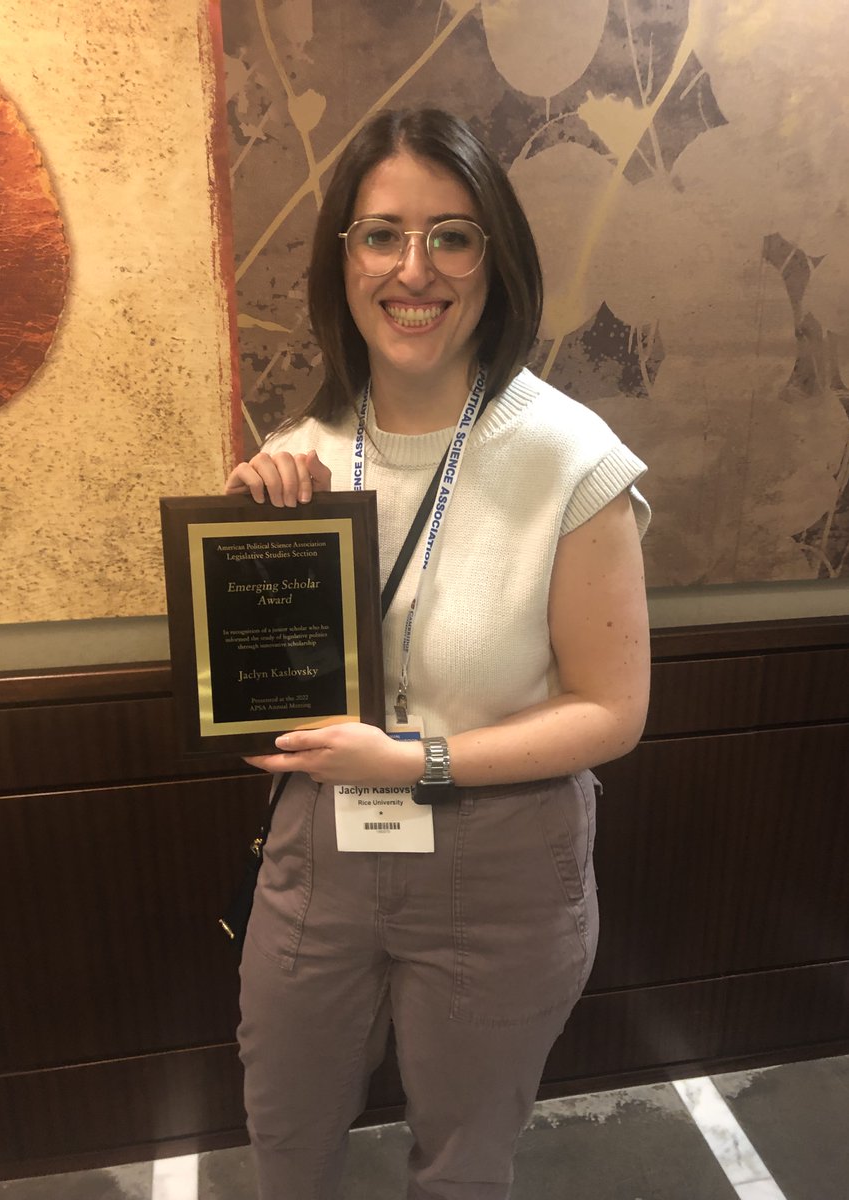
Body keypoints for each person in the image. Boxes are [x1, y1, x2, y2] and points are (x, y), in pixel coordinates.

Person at [225, 107, 651, 1200]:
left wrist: (414, 763)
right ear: (345, 257)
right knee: (285, 1139)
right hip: (322, 846)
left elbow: (612, 711)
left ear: (492, 257)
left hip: (502, 860)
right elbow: (266, 695)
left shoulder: (567, 454)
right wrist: (247, 552)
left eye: (450, 235)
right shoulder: (301, 457)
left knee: (463, 1165)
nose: (414, 269)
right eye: (381, 234)